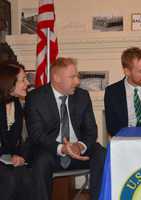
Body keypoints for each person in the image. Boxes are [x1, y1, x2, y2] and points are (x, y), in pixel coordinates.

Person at [25, 57, 105, 200]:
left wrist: (79, 146)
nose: (77, 81)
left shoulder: (82, 96)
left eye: (77, 76)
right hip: (52, 153)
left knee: (101, 153)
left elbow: (91, 130)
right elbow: (36, 135)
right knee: (40, 161)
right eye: (72, 77)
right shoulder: (35, 98)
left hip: (79, 153)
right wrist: (62, 148)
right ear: (56, 78)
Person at [0, 62, 31, 200]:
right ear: (10, 83)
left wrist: (19, 156)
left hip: (5, 159)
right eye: (23, 79)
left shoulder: (16, 104)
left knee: (26, 176)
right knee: (9, 178)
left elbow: (15, 141)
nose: (28, 83)